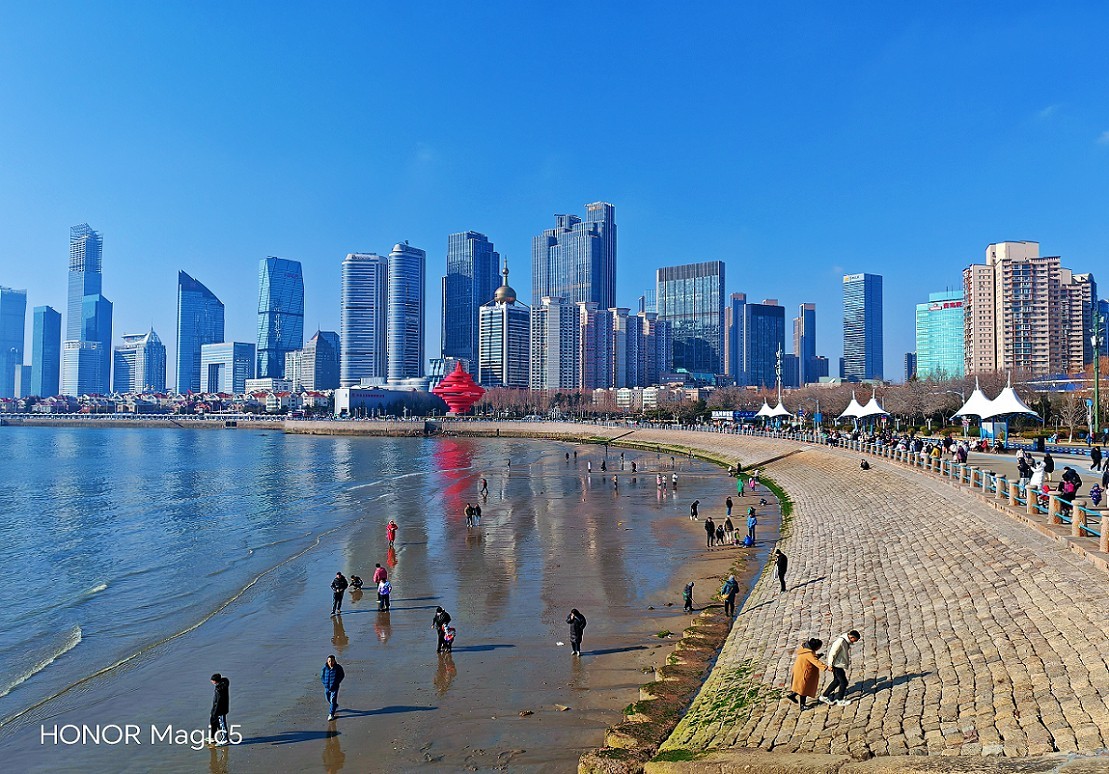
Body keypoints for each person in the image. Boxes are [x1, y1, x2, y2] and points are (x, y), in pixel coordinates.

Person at [818, 630, 861, 706]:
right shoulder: (840, 641)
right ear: (851, 637)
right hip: (836, 665)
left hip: (838, 664)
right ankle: (840, 700)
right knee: (844, 682)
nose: (854, 642)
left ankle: (824, 696)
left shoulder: (845, 641)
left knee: (837, 681)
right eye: (855, 640)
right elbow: (832, 653)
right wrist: (830, 664)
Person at [786, 639, 831, 710]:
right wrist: (827, 668)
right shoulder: (809, 654)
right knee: (804, 689)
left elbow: (810, 659)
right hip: (805, 673)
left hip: (800, 670)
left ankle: (792, 695)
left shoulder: (804, 649)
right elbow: (816, 662)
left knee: (801, 687)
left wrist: (817, 656)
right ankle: (802, 705)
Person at [320, 655, 345, 721]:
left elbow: (342, 675)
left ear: (334, 661)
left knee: (333, 700)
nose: (330, 662)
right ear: (327, 661)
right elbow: (322, 676)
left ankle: (331, 714)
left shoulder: (338, 668)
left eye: (332, 661)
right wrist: (324, 683)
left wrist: (337, 682)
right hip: (327, 687)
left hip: (335, 687)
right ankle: (335, 706)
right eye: (329, 661)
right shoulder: (325, 668)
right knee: (328, 699)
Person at [208, 673, 230, 746]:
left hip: (220, 710)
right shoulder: (220, 685)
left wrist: (215, 711)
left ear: (215, 681)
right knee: (213, 721)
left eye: (212, 680)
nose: (211, 681)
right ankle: (212, 737)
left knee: (222, 724)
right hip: (217, 709)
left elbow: (219, 701)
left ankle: (225, 739)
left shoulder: (220, 689)